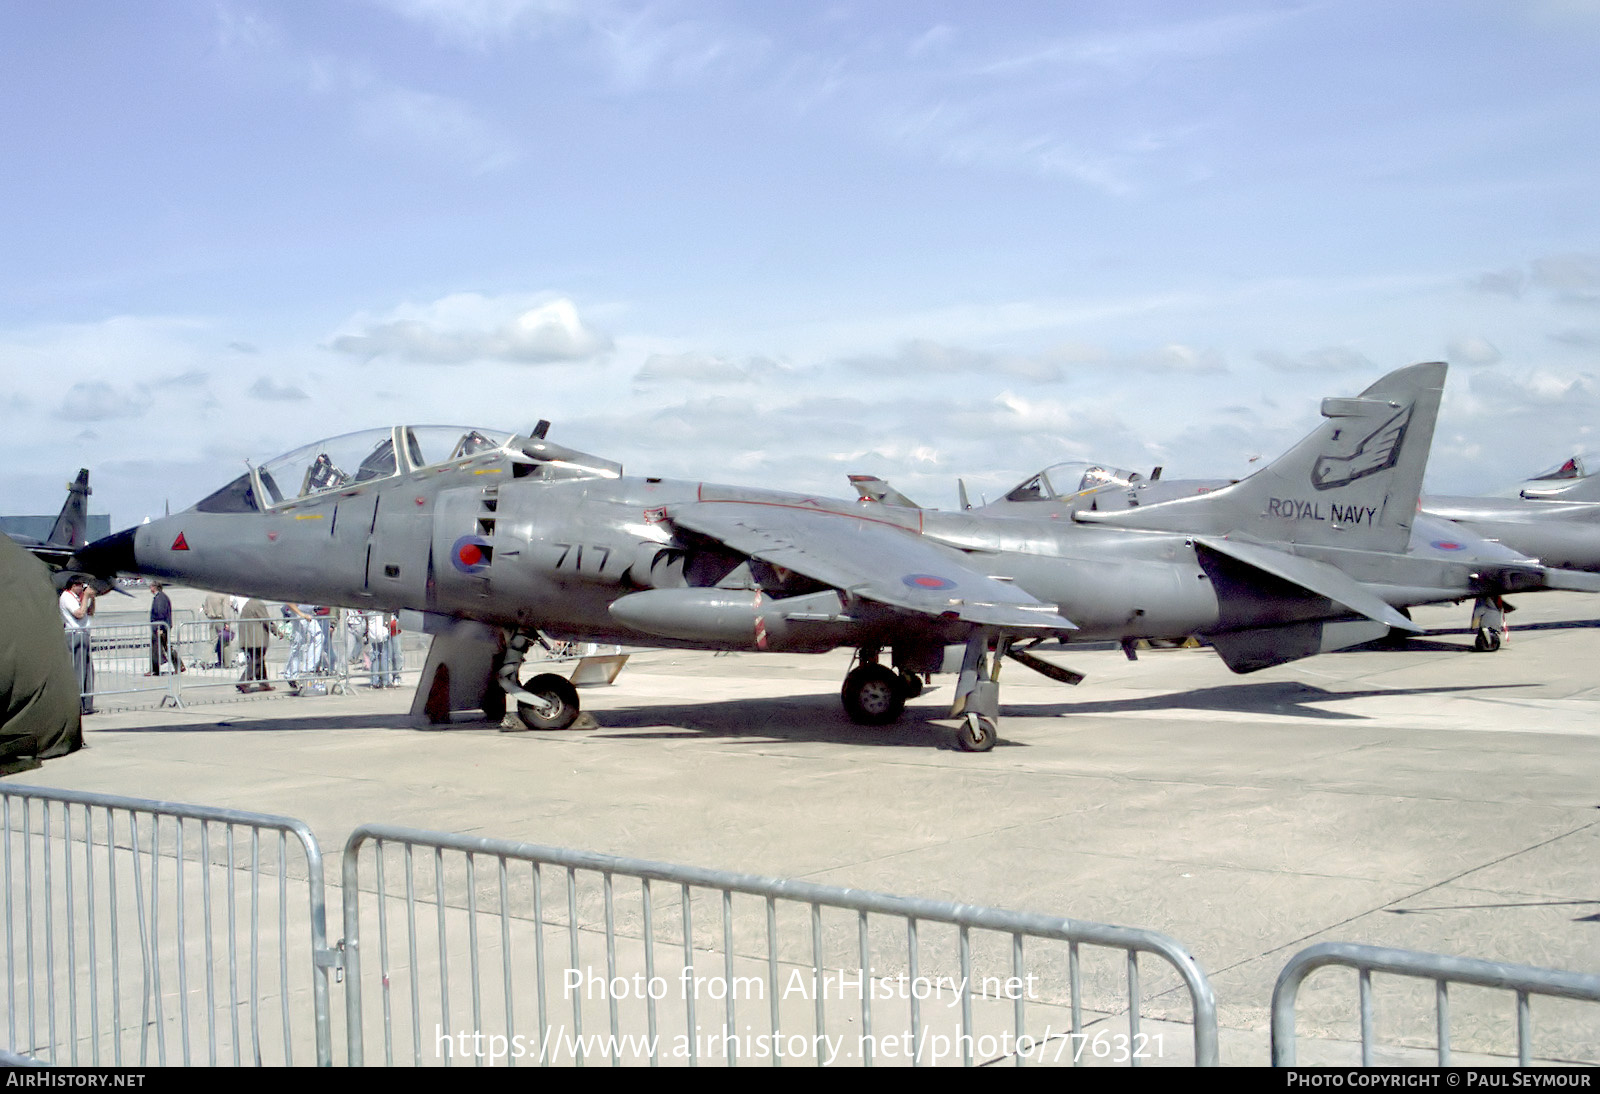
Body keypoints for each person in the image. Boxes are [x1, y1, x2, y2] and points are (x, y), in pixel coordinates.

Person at [59, 577, 96, 714]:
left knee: (88, 672)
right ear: (71, 586)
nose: (81, 587)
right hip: (75, 635)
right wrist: (86, 596)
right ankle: (78, 705)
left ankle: (87, 704)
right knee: (79, 671)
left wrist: (92, 598)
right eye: (78, 585)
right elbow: (79, 614)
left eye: (82, 585)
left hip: (84, 634)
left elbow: (90, 612)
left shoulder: (79, 597)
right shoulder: (67, 597)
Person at [236, 598, 276, 693]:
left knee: (259, 661)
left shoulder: (248, 604)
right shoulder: (258, 604)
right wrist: (277, 631)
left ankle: (264, 684)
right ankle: (243, 682)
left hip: (247, 638)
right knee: (255, 661)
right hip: (256, 639)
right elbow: (266, 620)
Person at [147, 582, 177, 675]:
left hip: (160, 627)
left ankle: (155, 670)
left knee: (156, 649)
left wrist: (159, 627)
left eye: (151, 586)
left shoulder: (160, 598)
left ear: (154, 588)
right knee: (166, 647)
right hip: (162, 626)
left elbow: (160, 613)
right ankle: (179, 666)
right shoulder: (161, 597)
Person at [202, 591, 236, 670]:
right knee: (226, 643)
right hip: (221, 620)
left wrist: (209, 615)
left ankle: (204, 661)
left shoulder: (209, 595)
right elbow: (225, 610)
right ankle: (227, 663)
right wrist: (227, 622)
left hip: (212, 620)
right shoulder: (224, 595)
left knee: (212, 641)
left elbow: (205, 609)